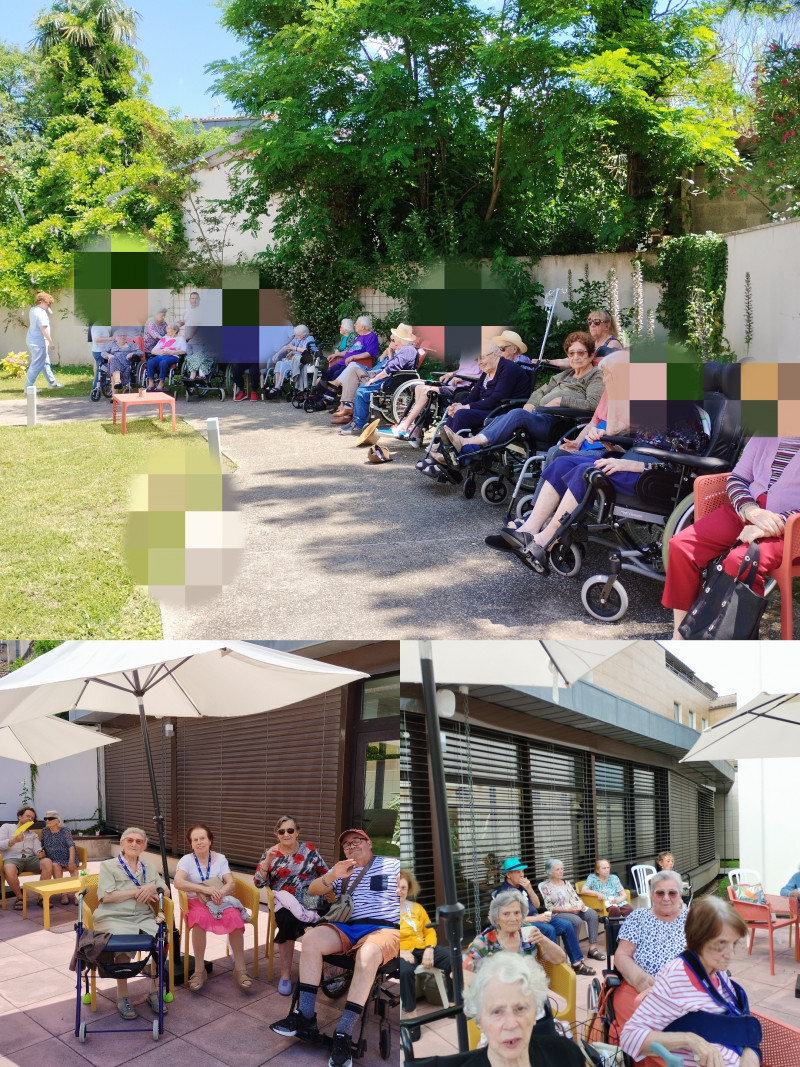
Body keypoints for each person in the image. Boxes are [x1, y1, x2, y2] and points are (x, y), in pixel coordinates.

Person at [501, 399, 709, 574]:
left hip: (654, 479)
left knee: (586, 472)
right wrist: (613, 447)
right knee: (563, 462)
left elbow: (680, 464)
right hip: (635, 465)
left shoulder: (682, 412)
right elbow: (642, 446)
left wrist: (630, 464)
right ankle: (528, 530)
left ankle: (543, 542)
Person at [270, 828, 400, 1067]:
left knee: (368, 953)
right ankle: (305, 1016)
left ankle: (344, 1032)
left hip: (384, 928)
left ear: (369, 842)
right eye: (347, 845)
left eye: (357, 841)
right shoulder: (343, 869)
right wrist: (333, 876)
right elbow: (312, 891)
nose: (352, 846)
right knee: (310, 939)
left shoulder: (393, 866)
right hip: (348, 926)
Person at [663, 437, 800, 639]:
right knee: (681, 546)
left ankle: (733, 640)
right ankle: (681, 634)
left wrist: (773, 524)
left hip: (791, 529)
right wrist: (750, 510)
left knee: (740, 561)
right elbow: (738, 478)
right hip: (747, 512)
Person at [620, 897, 759, 1067]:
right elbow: (629, 1037)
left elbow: (736, 1020)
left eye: (734, 943)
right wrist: (688, 1039)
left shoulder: (718, 972)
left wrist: (751, 1053)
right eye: (721, 944)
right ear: (699, 939)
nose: (730, 954)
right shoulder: (676, 977)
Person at [439, 332, 603, 461]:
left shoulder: (596, 376)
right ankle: (466, 453)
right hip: (540, 416)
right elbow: (539, 392)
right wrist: (529, 407)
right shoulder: (565, 375)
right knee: (510, 414)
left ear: (591, 354)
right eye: (571, 353)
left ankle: (466, 443)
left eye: (580, 353)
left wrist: (562, 400)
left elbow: (594, 404)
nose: (575, 357)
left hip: (561, 424)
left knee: (516, 414)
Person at [92, 827, 168, 1020]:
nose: (134, 844)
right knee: (124, 948)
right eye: (130, 840)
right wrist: (136, 891)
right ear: (123, 844)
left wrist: (153, 886)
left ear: (144, 846)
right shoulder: (108, 866)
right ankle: (122, 996)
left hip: (143, 916)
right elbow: (106, 897)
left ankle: (153, 991)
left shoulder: (148, 867)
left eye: (139, 841)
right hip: (114, 916)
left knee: (161, 942)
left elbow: (165, 890)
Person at [460, 952, 586, 1066]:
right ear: (479, 1022)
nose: (511, 1025)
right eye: (497, 1011)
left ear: (535, 1013)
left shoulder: (566, 1055)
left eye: (520, 1008)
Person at [254, 814, 330, 995]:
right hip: (284, 901)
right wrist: (267, 861)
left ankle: (327, 972)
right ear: (276, 834)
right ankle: (286, 975)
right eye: (282, 831)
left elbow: (325, 873)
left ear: (297, 832)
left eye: (290, 830)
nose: (286, 834)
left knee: (331, 918)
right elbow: (258, 883)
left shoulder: (309, 849)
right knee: (287, 922)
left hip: (310, 897)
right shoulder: (270, 853)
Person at [610, 869, 688, 1041]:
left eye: (672, 893)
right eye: (660, 893)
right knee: (642, 1035)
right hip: (640, 988)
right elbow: (622, 955)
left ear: (680, 895)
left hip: (685, 991)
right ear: (652, 895)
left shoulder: (693, 919)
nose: (666, 898)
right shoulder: (638, 917)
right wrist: (639, 978)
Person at [173, 822, 252, 991]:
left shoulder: (220, 858)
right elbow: (178, 882)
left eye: (202, 838)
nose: (199, 842)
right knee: (200, 919)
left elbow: (230, 882)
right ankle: (200, 970)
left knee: (234, 916)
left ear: (210, 841)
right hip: (196, 900)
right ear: (191, 844)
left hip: (219, 899)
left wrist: (220, 893)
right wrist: (203, 889)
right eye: (195, 840)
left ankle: (240, 969)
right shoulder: (186, 860)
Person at [492, 857, 595, 975]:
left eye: (522, 871)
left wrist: (529, 889)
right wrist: (537, 918)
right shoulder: (505, 893)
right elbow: (512, 920)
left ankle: (576, 963)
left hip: (536, 917)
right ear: (509, 875)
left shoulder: (521, 887)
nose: (522, 875)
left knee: (567, 925)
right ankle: (555, 969)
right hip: (522, 925)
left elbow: (536, 904)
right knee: (549, 929)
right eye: (518, 872)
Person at [463, 891, 567, 981]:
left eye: (517, 913)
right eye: (506, 914)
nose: (513, 919)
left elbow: (560, 958)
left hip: (530, 994)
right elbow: (461, 973)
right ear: (496, 918)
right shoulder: (486, 940)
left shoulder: (527, 934)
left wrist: (543, 939)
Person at [398, 868, 453, 1038]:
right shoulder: (383, 910)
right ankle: (412, 1018)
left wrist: (429, 949)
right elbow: (381, 935)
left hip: (423, 947)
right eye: (396, 887)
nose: (399, 891)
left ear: (409, 889)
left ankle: (452, 1005)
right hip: (400, 951)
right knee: (406, 972)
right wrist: (400, 951)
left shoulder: (417, 908)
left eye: (403, 888)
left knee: (454, 959)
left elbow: (429, 931)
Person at [338, 323, 419, 436]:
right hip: (394, 380)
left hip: (393, 382)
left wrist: (373, 379)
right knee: (362, 388)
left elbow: (390, 368)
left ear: (399, 339)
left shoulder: (407, 350)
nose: (393, 339)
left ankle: (358, 425)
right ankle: (356, 421)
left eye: (394, 337)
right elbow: (390, 365)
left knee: (362, 391)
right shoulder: (406, 350)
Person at [537, 858, 604, 962]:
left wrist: (581, 905)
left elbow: (576, 897)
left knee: (592, 914)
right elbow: (549, 907)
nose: (561, 871)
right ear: (550, 872)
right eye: (557, 869)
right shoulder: (546, 887)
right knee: (575, 920)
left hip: (574, 909)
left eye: (562, 869)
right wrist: (568, 910)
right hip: (559, 913)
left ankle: (592, 949)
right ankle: (572, 952)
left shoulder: (566, 883)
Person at [329, 315, 382, 422]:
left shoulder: (372, 336)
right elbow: (350, 351)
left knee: (351, 368)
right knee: (346, 373)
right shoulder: (358, 337)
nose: (354, 325)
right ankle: (346, 412)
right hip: (350, 363)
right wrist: (338, 354)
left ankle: (342, 402)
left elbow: (369, 353)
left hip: (363, 365)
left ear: (362, 326)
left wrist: (353, 357)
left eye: (356, 323)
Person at [0, 806, 53, 909]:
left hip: (29, 859)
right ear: (19, 816)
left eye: (32, 818)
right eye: (27, 816)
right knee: (9, 869)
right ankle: (20, 898)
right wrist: (13, 841)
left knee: (47, 862)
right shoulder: (7, 827)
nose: (30, 819)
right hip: (12, 858)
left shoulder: (32, 835)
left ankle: (41, 897)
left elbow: (37, 847)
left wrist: (40, 852)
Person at [24, 291, 62, 390]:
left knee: (45, 362)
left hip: (33, 339)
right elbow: (43, 329)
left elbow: (50, 312)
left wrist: (47, 308)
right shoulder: (41, 313)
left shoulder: (34, 309)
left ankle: (52, 383)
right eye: (48, 303)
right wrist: (51, 342)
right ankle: (28, 387)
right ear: (42, 302)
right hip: (38, 342)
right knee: (36, 364)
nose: (49, 305)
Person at [41, 810, 78, 904]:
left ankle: (77, 894)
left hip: (67, 856)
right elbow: (42, 845)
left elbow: (71, 846)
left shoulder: (65, 830)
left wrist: (71, 861)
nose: (47, 820)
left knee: (72, 868)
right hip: (53, 859)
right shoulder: (45, 831)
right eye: (46, 818)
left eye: (50, 818)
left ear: (58, 820)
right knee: (54, 866)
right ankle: (63, 893)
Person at [270, 324, 316, 394]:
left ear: (304, 335)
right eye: (295, 335)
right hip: (293, 358)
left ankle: (278, 386)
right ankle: (277, 385)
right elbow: (287, 347)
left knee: (283, 365)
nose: (296, 337)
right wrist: (277, 353)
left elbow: (307, 350)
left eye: (298, 335)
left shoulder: (309, 338)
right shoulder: (297, 338)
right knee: (279, 363)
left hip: (302, 359)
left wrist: (294, 348)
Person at [145, 323, 186, 390]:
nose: (166, 330)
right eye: (167, 328)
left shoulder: (181, 339)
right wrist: (159, 352)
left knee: (163, 362)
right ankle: (150, 383)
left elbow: (184, 351)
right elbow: (153, 351)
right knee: (150, 362)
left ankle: (161, 383)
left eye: (169, 328)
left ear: (175, 330)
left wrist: (171, 352)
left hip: (173, 356)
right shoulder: (164, 338)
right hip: (161, 355)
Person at [106, 328, 142, 392]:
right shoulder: (112, 344)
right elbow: (103, 352)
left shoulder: (131, 345)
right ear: (115, 337)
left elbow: (140, 353)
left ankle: (115, 394)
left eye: (124, 335)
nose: (122, 337)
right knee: (113, 360)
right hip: (114, 363)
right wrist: (108, 355)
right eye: (120, 335)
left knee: (113, 365)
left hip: (126, 364)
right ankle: (117, 382)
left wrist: (132, 353)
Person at [90, 322, 112, 391]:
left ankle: (102, 387)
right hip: (99, 352)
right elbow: (96, 339)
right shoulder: (98, 325)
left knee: (103, 370)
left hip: (101, 351)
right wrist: (110, 339)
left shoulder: (101, 325)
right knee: (100, 370)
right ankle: (96, 388)